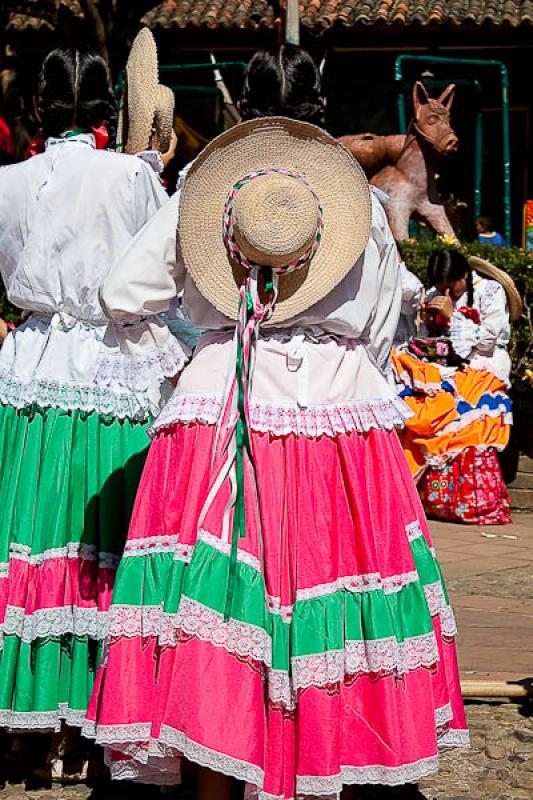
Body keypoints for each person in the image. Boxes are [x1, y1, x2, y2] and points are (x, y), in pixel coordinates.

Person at [84, 46, 467, 799]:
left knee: (216, 597)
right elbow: (387, 322)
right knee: (335, 587)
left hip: (223, 397)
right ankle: (330, 758)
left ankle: (214, 769)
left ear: (242, 109)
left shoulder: (203, 191)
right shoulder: (355, 199)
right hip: (338, 411)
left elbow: (120, 292)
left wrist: (204, 320)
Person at [0, 47, 187, 769]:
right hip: (115, 369)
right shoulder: (132, 177)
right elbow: (160, 279)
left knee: (30, 529)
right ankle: (95, 710)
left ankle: (28, 715)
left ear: (37, 110)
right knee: (99, 543)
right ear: (110, 110)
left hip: (30, 368)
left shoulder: (9, 182)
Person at [393, 248, 520, 525]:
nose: (446, 292)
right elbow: (427, 341)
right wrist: (428, 324)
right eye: (441, 288)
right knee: (409, 386)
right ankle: (406, 487)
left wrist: (454, 317)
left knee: (463, 408)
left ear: (464, 275)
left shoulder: (489, 291)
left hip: (481, 364)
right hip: (443, 366)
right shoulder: (432, 294)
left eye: (451, 287)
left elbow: (485, 341)